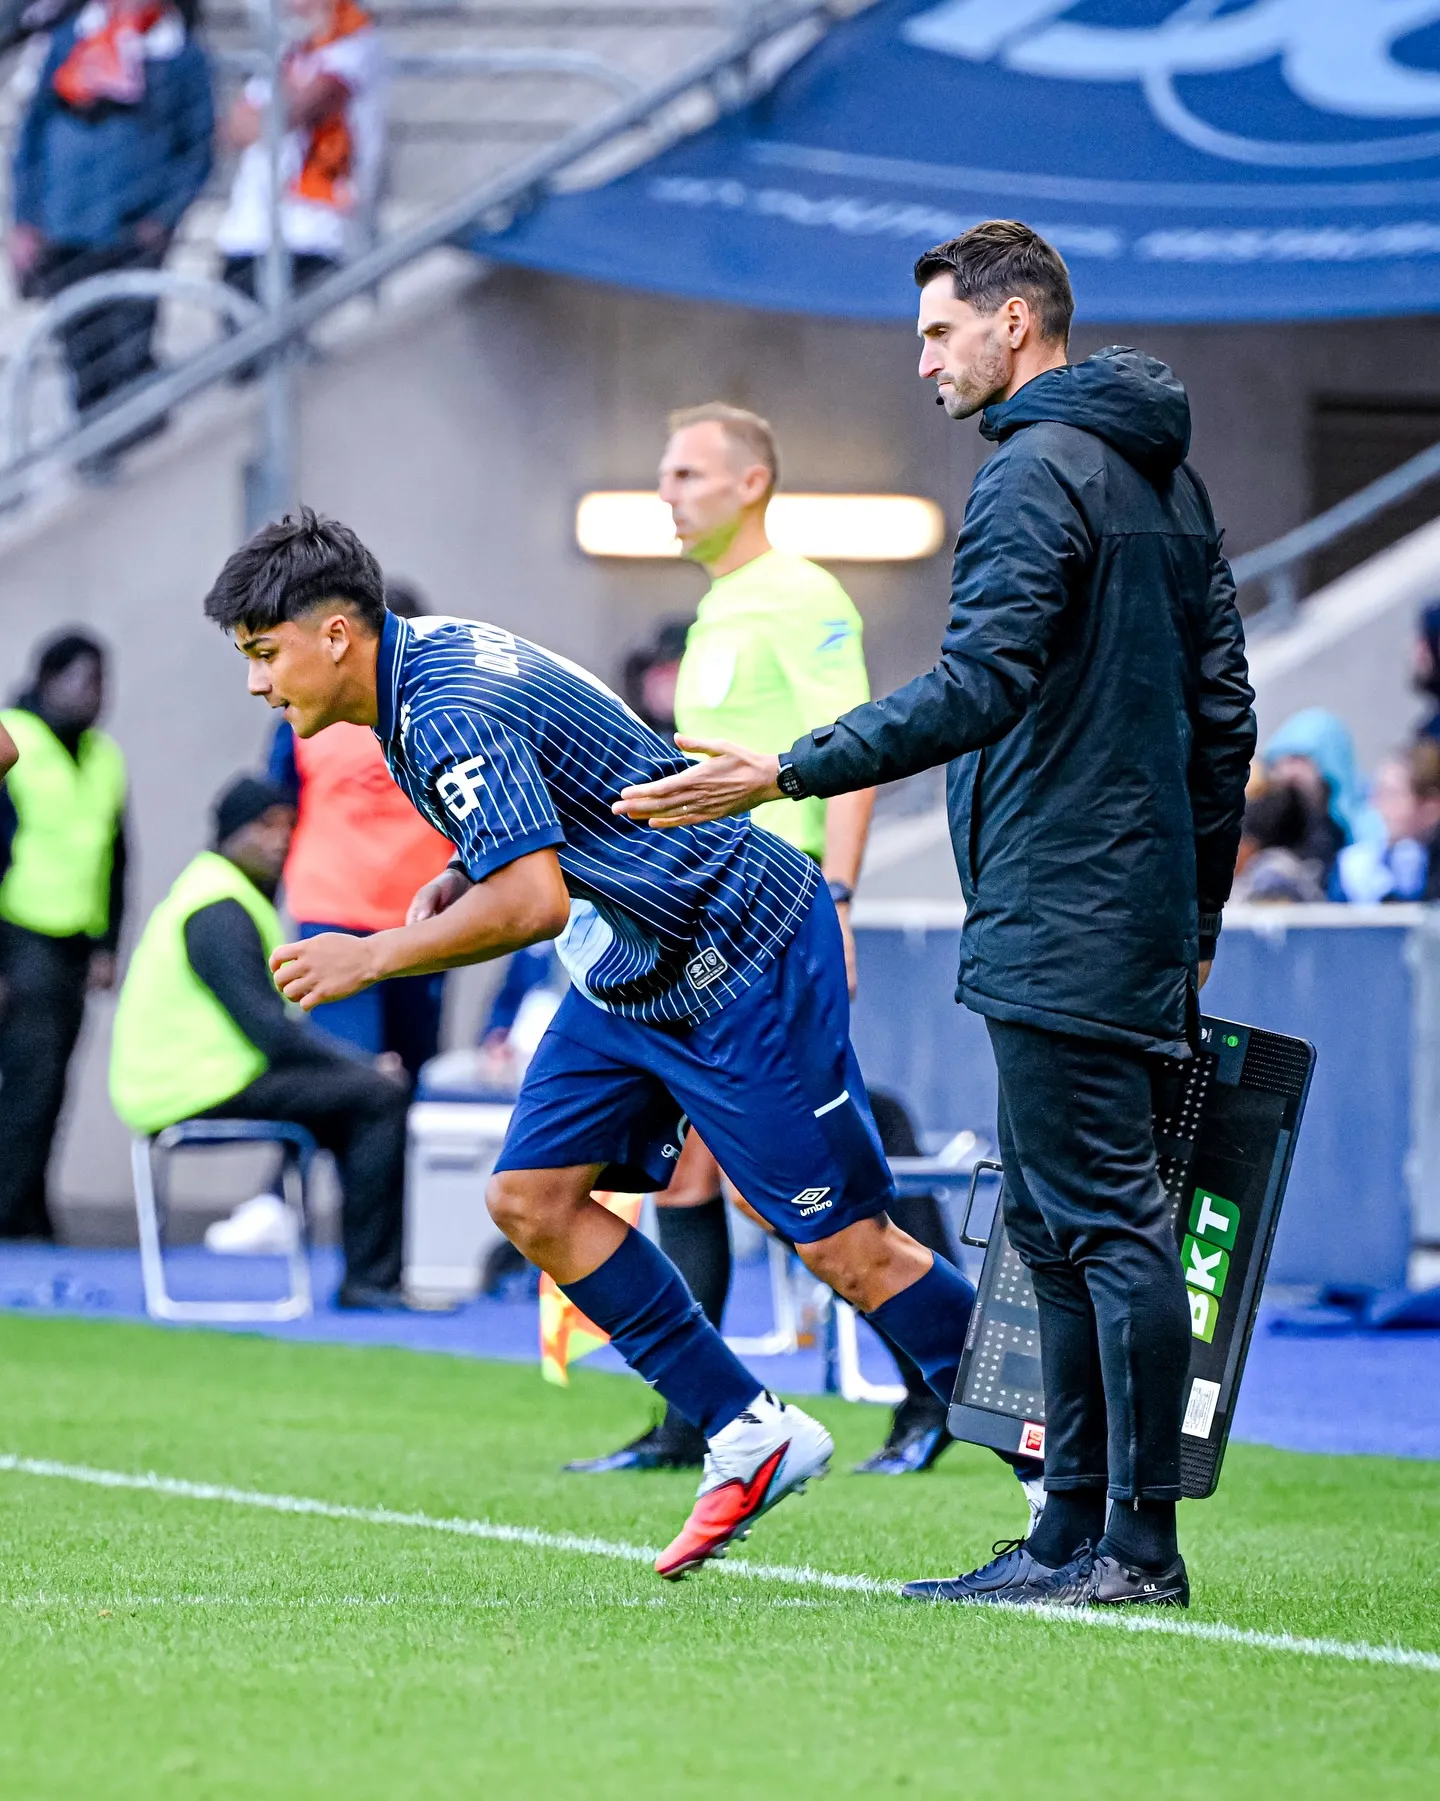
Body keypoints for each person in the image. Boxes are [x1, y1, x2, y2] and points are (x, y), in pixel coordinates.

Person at [615, 220, 1256, 1609]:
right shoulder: (1165, 475)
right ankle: (1068, 1534)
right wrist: (1193, 908)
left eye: (939, 333)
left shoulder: (1035, 473)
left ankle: (1132, 1550)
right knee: (1060, 1218)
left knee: (1098, 1223)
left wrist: (782, 770)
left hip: (1063, 900)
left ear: (1016, 324)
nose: (922, 363)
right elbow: (1225, 715)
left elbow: (978, 686)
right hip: (1125, 903)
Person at [202, 508, 983, 1582]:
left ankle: (1052, 1431)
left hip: (737, 948)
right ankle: (748, 1433)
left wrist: (374, 955)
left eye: (262, 653)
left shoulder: (441, 708)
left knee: (844, 1247)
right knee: (532, 1197)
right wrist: (467, 868)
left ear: (335, 634)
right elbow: (552, 822)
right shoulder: (420, 669)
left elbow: (529, 904)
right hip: (631, 963)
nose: (255, 683)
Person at [569, 402, 876, 1476]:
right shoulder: (716, 612)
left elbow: (849, 750)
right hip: (705, 923)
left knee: (792, 1184)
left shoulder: (803, 595)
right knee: (693, 1181)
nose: (668, 490)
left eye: (689, 472)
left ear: (752, 483)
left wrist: (837, 897)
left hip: (775, 923)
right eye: (665, 472)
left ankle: (942, 1396)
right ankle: (693, 1422)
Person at [109, 774, 409, 1307]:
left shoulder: (222, 896)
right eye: (264, 826)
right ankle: (370, 1281)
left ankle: (366, 1273)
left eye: (288, 826)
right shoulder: (216, 908)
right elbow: (270, 1032)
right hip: (190, 1088)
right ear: (228, 832)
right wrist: (363, 1066)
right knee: (377, 1096)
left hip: (205, 1079)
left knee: (359, 1100)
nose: (279, 838)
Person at [8, 0, 212, 467]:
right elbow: (32, 133)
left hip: (129, 234)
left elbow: (197, 147)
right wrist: (24, 218)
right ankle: (95, 455)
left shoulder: (178, 54)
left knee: (128, 350)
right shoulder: (70, 40)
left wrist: (162, 216)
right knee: (82, 352)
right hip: (66, 229)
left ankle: (134, 456)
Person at [266, 582, 454, 1078]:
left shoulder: (443, 715)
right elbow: (276, 812)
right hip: (338, 917)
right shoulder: (306, 712)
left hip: (420, 919)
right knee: (354, 1081)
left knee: (401, 1078)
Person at [0, 631, 126, 1240]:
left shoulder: (103, 758)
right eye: (85, 680)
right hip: (19, 937)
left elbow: (117, 857)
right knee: (26, 1078)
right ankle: (10, 1210)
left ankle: (27, 1204)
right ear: (48, 679)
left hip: (75, 943)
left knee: (52, 1083)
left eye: (103, 682)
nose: (96, 696)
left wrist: (107, 946)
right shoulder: (12, 739)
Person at [217, 0, 387, 320]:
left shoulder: (357, 45)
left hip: (315, 231)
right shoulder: (287, 52)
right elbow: (237, 128)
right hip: (253, 229)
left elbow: (297, 111)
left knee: (296, 349)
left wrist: (272, 115)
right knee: (241, 349)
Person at [1261, 708, 1381, 898]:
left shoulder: (1369, 829)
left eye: (1299, 759)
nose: (1288, 772)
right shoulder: (1268, 826)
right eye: (1280, 761)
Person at [1336, 757, 1428, 905]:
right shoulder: (1352, 864)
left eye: (1393, 794)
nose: (1382, 807)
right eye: (1378, 794)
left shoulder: (1431, 859)